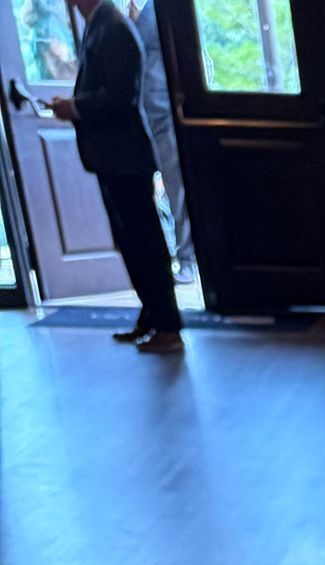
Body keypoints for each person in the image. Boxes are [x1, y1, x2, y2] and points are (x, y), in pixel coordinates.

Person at [50, 0, 182, 352]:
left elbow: (120, 95)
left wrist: (74, 107)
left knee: (145, 243)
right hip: (111, 157)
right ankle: (152, 316)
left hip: (125, 156)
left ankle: (168, 326)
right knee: (131, 243)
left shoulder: (114, 27)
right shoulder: (100, 24)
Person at [132, 0, 192, 279]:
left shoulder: (162, 8)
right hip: (143, 113)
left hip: (164, 112)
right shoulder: (136, 10)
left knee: (176, 186)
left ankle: (188, 259)